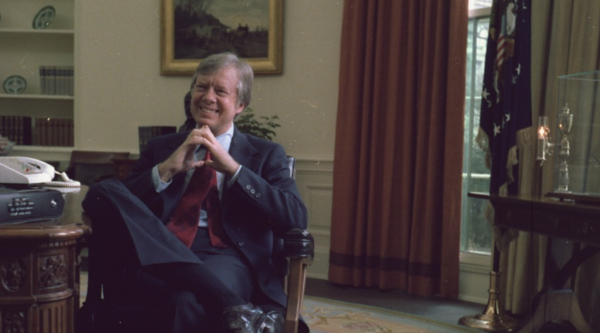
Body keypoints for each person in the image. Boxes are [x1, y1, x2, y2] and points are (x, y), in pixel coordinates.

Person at [82, 52, 309, 333]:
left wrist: (235, 170)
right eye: (201, 87)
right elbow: (120, 205)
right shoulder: (161, 148)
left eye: (220, 91)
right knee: (103, 190)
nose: (208, 97)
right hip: (156, 255)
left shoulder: (265, 154)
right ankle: (236, 306)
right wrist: (165, 170)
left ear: (240, 105)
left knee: (185, 302)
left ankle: (229, 299)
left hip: (225, 258)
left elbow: (296, 216)